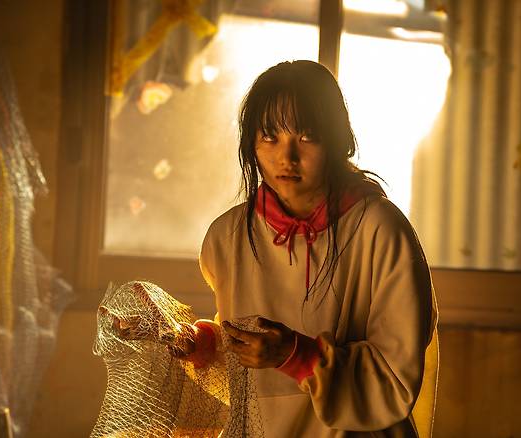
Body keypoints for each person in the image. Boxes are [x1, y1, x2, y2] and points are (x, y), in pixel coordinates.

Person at [114, 60, 438, 437]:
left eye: (307, 136)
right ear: (250, 143)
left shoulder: (380, 230)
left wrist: (296, 355)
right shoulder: (227, 237)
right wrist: (197, 345)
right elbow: (247, 379)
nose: (287, 157)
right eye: (270, 136)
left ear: (338, 141)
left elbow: (394, 380)